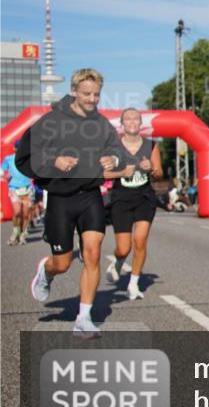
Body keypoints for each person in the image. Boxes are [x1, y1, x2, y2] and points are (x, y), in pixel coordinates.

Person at [16, 68, 128, 339]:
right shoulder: (51, 122)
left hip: (90, 195)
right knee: (63, 263)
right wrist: (53, 162)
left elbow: (118, 153)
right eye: (87, 94)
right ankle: (46, 271)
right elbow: (24, 157)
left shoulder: (101, 124)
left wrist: (113, 160)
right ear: (74, 91)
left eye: (97, 95)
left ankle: (83, 319)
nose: (92, 99)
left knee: (92, 253)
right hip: (60, 199)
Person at [106, 107, 163, 300]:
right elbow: (103, 173)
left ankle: (133, 283)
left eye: (136, 119)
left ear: (140, 124)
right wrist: (121, 173)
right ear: (122, 125)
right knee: (124, 248)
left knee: (140, 241)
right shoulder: (112, 147)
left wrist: (151, 168)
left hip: (144, 198)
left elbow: (159, 173)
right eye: (128, 119)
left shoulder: (151, 145)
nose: (132, 122)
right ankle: (117, 261)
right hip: (121, 198)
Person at [3, 140, 35, 246]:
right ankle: (15, 233)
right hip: (14, 189)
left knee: (26, 214)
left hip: (27, 188)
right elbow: (1, 170)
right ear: (15, 148)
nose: (19, 150)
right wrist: (4, 175)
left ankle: (22, 235)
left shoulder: (29, 159)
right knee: (17, 212)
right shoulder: (8, 159)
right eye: (18, 148)